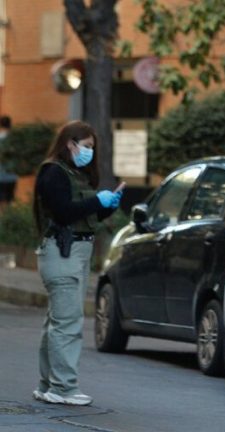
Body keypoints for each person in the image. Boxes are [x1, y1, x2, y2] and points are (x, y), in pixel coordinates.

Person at [32, 121, 123, 406]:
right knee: (67, 323)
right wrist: (98, 201)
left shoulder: (74, 174)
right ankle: (64, 387)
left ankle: (49, 385)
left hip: (74, 251)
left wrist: (107, 206)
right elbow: (63, 213)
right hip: (63, 251)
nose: (90, 153)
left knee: (58, 321)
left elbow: (84, 217)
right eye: (86, 146)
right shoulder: (54, 172)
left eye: (92, 148)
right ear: (70, 143)